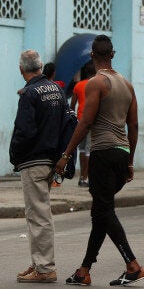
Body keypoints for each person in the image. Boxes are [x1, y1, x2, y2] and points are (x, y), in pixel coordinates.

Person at [55, 35, 144, 286]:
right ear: (113, 55)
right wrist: (130, 161)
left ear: (92, 56)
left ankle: (133, 265)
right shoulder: (127, 85)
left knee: (104, 211)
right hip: (122, 151)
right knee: (100, 213)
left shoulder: (96, 83)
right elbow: (134, 124)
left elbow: (85, 122)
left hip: (103, 152)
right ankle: (84, 271)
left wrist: (66, 154)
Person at [11, 50, 65, 283]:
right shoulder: (57, 90)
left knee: (38, 215)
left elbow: (24, 131)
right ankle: (38, 263)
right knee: (37, 214)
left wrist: (14, 154)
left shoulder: (29, 94)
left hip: (34, 160)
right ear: (41, 67)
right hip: (51, 159)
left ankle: (44, 268)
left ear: (22, 69)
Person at [71, 60, 96, 187]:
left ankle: (82, 177)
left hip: (80, 120)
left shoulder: (78, 86)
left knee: (81, 149)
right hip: (93, 121)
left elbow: (72, 105)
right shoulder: (97, 85)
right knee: (89, 150)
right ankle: (88, 177)